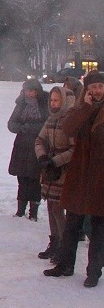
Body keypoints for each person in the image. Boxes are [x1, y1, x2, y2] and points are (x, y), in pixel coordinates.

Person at [44, 71, 104, 287]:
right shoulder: (81, 109)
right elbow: (68, 129)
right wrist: (85, 107)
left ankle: (93, 272)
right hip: (79, 173)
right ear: (87, 90)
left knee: (98, 228)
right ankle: (65, 264)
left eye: (100, 86)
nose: (97, 90)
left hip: (100, 176)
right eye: (93, 87)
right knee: (72, 223)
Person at [34, 86, 75, 261]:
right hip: (50, 170)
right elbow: (39, 139)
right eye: (51, 100)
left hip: (64, 170)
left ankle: (64, 246)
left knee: (58, 208)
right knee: (51, 207)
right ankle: (54, 242)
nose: (53, 103)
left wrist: (56, 161)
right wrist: (42, 156)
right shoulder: (51, 119)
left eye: (57, 100)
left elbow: (75, 149)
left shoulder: (70, 120)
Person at [7, 78, 48, 220]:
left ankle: (33, 212)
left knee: (35, 179)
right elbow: (11, 123)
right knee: (22, 178)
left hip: (38, 145)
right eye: (27, 91)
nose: (29, 94)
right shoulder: (21, 104)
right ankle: (20, 210)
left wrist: (33, 128)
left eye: (32, 91)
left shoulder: (44, 103)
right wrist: (21, 128)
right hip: (22, 145)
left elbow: (47, 123)